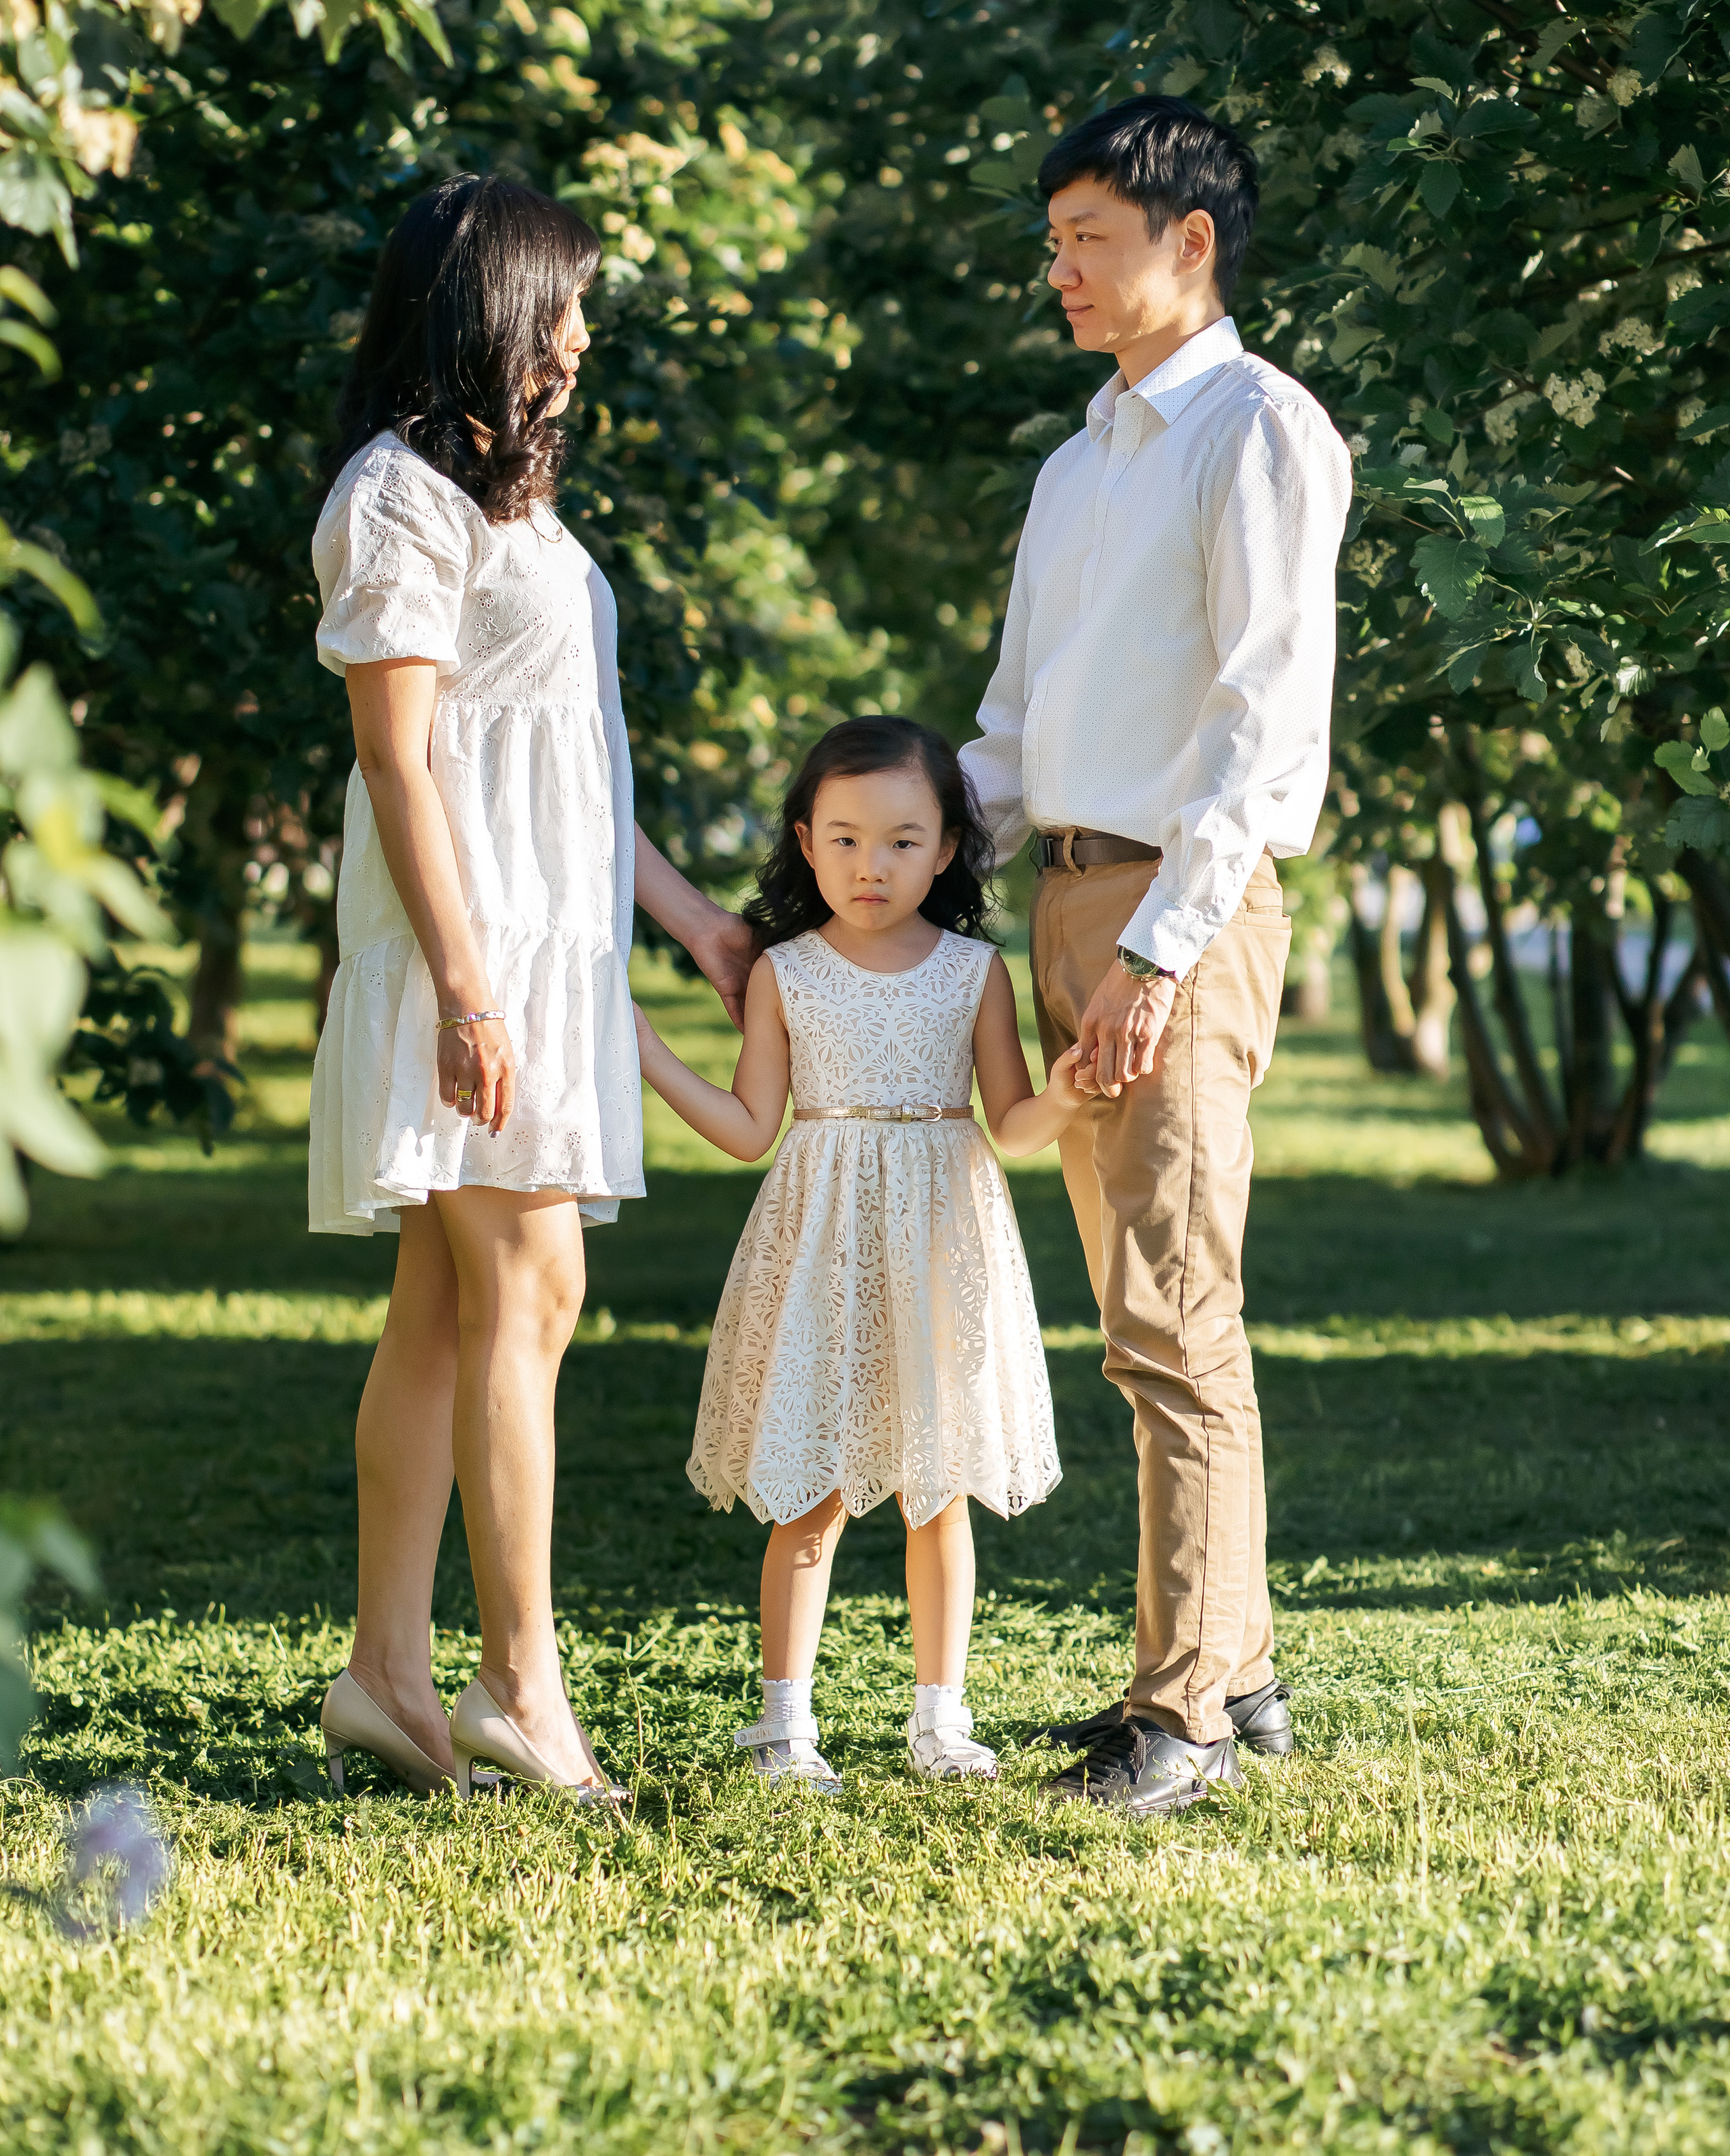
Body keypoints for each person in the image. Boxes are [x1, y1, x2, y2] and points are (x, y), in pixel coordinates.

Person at [307, 173, 757, 1804]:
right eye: (558, 305)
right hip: (470, 952)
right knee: (534, 1292)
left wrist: (698, 925)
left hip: (540, 947)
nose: (578, 339)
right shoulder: (396, 500)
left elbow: (576, 762)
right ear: (484, 306)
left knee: (447, 1311)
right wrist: (467, 987)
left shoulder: (513, 503)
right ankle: (517, 1686)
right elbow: (404, 763)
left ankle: (384, 1676)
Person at [959, 95, 1353, 1817]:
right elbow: (1011, 728)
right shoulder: (1074, 462)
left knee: (1172, 1317)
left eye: (1087, 242)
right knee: (1143, 1310)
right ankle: (1236, 1665)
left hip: (1173, 911)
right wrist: (860, 879)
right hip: (1063, 892)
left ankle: (1181, 1711)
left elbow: (1261, 727)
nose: (1058, 272)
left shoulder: (1257, 433)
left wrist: (1157, 951)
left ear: (1189, 244)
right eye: (1052, 244)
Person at [633, 718, 1082, 1788]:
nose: (869, 866)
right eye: (842, 840)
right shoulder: (787, 973)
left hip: (940, 1236)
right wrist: (650, 1053)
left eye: (900, 841)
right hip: (821, 1243)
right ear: (803, 840)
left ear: (946, 849)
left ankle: (942, 1718)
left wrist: (1070, 1098)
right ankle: (784, 1726)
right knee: (809, 1486)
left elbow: (1010, 1121)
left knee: (941, 1485)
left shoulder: (977, 973)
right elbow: (751, 1128)